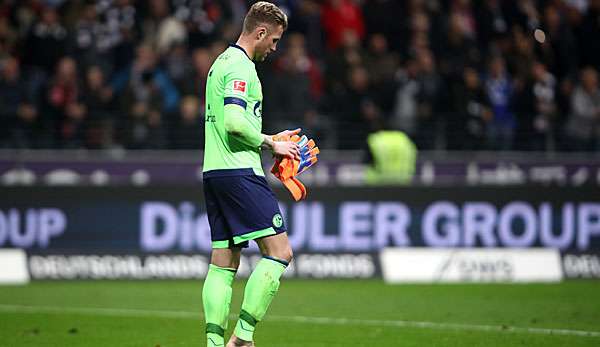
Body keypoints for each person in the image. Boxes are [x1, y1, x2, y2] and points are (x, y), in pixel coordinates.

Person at [200, 3, 301, 347]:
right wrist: (271, 142)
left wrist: (271, 139)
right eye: (273, 40)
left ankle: (214, 344)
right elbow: (233, 120)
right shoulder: (242, 67)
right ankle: (242, 337)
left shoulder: (220, 64)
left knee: (223, 262)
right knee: (280, 252)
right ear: (259, 33)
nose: (274, 47)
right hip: (239, 172)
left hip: (214, 172)